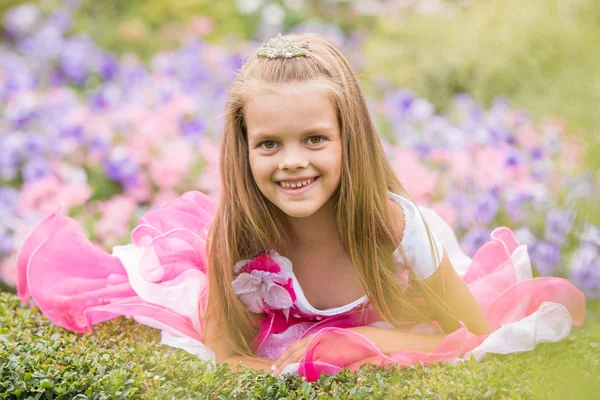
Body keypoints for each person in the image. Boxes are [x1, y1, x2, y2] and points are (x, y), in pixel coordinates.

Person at [16, 34, 585, 381]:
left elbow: (472, 335)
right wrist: (289, 366)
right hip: (273, 326)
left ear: (348, 139)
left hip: (390, 314)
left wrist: (363, 345)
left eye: (314, 139)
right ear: (244, 149)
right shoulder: (236, 238)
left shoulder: (395, 227)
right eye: (269, 144)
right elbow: (224, 360)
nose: (292, 161)